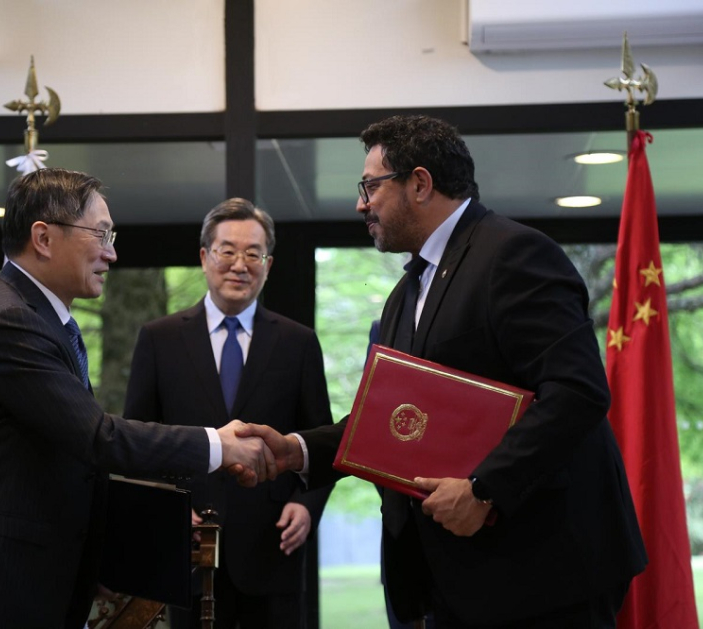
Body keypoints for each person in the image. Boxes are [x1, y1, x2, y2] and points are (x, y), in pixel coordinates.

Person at [235, 115, 647, 628]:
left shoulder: (514, 254)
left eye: (370, 186)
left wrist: (484, 488)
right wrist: (295, 450)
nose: (361, 203)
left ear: (421, 183)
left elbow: (578, 391)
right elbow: (388, 419)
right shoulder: (402, 296)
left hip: (543, 575)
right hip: (454, 583)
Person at [0, 168, 273, 629]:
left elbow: (65, 459)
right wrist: (220, 445)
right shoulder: (12, 322)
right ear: (43, 238)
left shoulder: (42, 317)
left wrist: (97, 555)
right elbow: (98, 439)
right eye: (101, 234)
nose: (112, 251)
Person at [123, 198, 333, 629]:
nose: (240, 264)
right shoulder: (159, 339)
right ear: (204, 257)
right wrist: (170, 512)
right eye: (227, 251)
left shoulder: (298, 342)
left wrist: (308, 506)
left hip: (273, 549)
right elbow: (136, 444)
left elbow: (321, 440)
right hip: (189, 551)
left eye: (253, 253)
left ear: (269, 264)